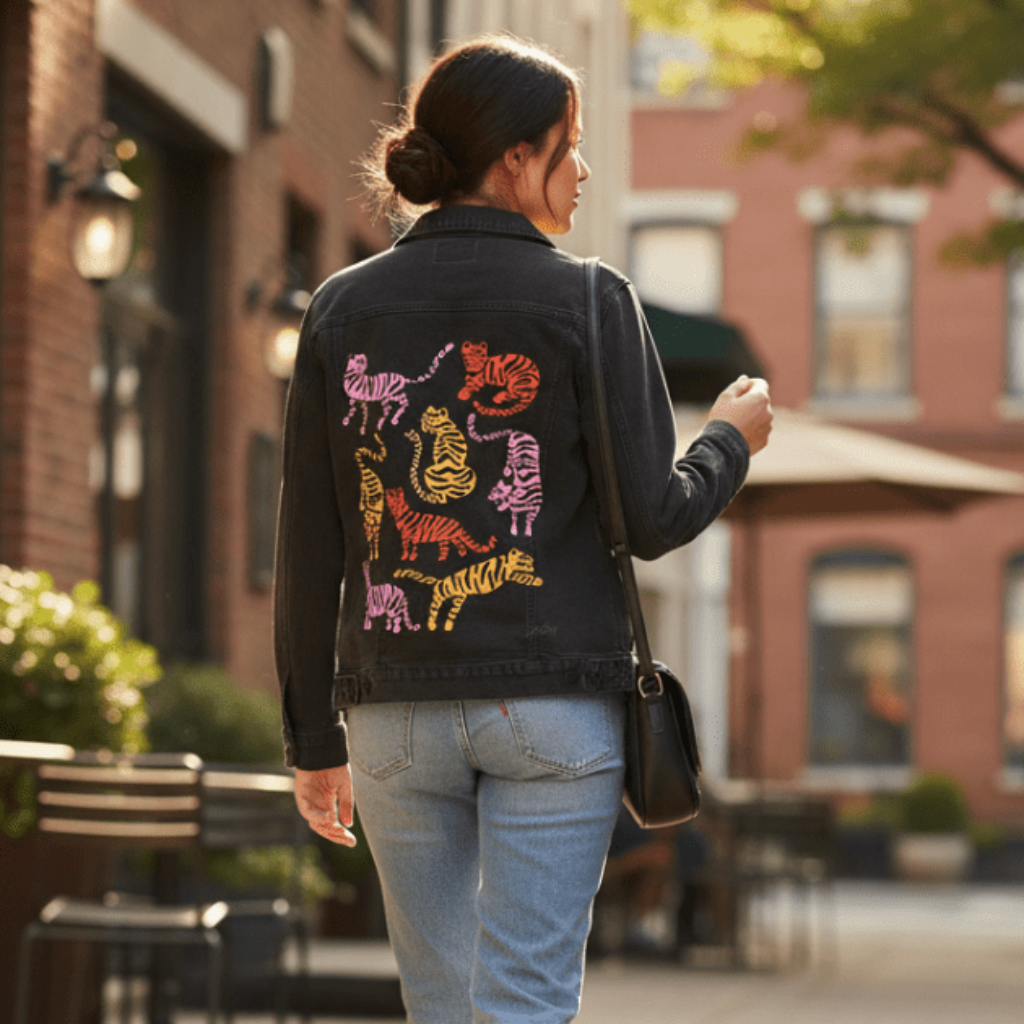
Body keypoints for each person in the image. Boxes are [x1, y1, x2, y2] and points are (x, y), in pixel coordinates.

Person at [273, 34, 772, 1024]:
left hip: (392, 713)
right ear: (513, 158)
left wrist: (310, 739)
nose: (580, 168)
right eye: (566, 144)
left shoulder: (339, 309)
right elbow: (653, 518)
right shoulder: (590, 299)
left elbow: (308, 546)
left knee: (440, 1005)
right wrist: (727, 441)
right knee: (525, 1002)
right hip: (551, 708)